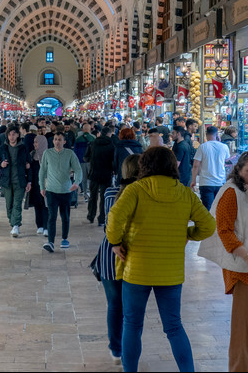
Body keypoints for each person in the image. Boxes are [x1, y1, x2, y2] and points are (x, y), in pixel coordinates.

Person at [106, 146, 216, 373]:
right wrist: (188, 234)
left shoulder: (135, 190)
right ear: (172, 165)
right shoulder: (185, 193)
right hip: (171, 271)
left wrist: (116, 243)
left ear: (144, 165)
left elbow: (115, 217)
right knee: (174, 326)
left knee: (132, 325)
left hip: (137, 269)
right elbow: (208, 225)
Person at [205, 152, 248, 373]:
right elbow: (224, 231)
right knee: (244, 325)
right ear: (238, 170)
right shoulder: (230, 193)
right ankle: (239, 367)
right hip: (245, 267)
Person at [93, 155, 141, 365]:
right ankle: (130, 348)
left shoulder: (110, 193)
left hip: (109, 256)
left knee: (114, 305)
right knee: (131, 308)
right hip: (134, 256)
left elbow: (108, 225)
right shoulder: (143, 195)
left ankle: (116, 349)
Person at [40, 131, 82, 252]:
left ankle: (64, 238)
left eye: (59, 139)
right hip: (51, 190)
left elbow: (78, 169)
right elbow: (42, 171)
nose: (57, 141)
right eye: (55, 139)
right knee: (52, 216)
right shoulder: (47, 153)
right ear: (53, 141)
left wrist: (76, 182)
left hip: (66, 190)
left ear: (64, 141)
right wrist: (41, 186)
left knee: (65, 216)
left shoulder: (69, 154)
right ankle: (51, 242)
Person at [0, 126, 31, 237]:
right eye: (10, 134)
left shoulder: (23, 148)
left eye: (14, 134)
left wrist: (29, 181)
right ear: (7, 135)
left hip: (20, 180)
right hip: (6, 181)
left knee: (17, 204)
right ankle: (13, 223)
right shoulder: (2, 148)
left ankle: (16, 225)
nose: (12, 137)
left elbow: (29, 165)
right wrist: (1, 164)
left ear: (18, 135)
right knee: (9, 205)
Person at [192, 125, 231, 210]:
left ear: (206, 134)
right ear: (217, 134)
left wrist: (193, 180)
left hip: (206, 183)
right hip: (220, 182)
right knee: (219, 209)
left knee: (208, 209)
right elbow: (227, 160)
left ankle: (210, 223)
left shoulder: (202, 147)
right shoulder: (224, 147)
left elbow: (195, 165)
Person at [87, 125, 117, 224]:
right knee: (104, 196)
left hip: (94, 172)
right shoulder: (111, 145)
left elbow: (85, 158)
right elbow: (114, 161)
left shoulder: (93, 144)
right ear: (109, 134)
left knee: (93, 196)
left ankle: (91, 215)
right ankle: (102, 218)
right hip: (106, 174)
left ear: (100, 133)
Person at [74, 121, 95, 196]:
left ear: (82, 130)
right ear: (90, 129)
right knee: (90, 177)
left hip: (81, 160)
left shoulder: (78, 139)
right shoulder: (93, 138)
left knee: (84, 178)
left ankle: (85, 192)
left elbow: (75, 151)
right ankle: (90, 191)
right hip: (91, 161)